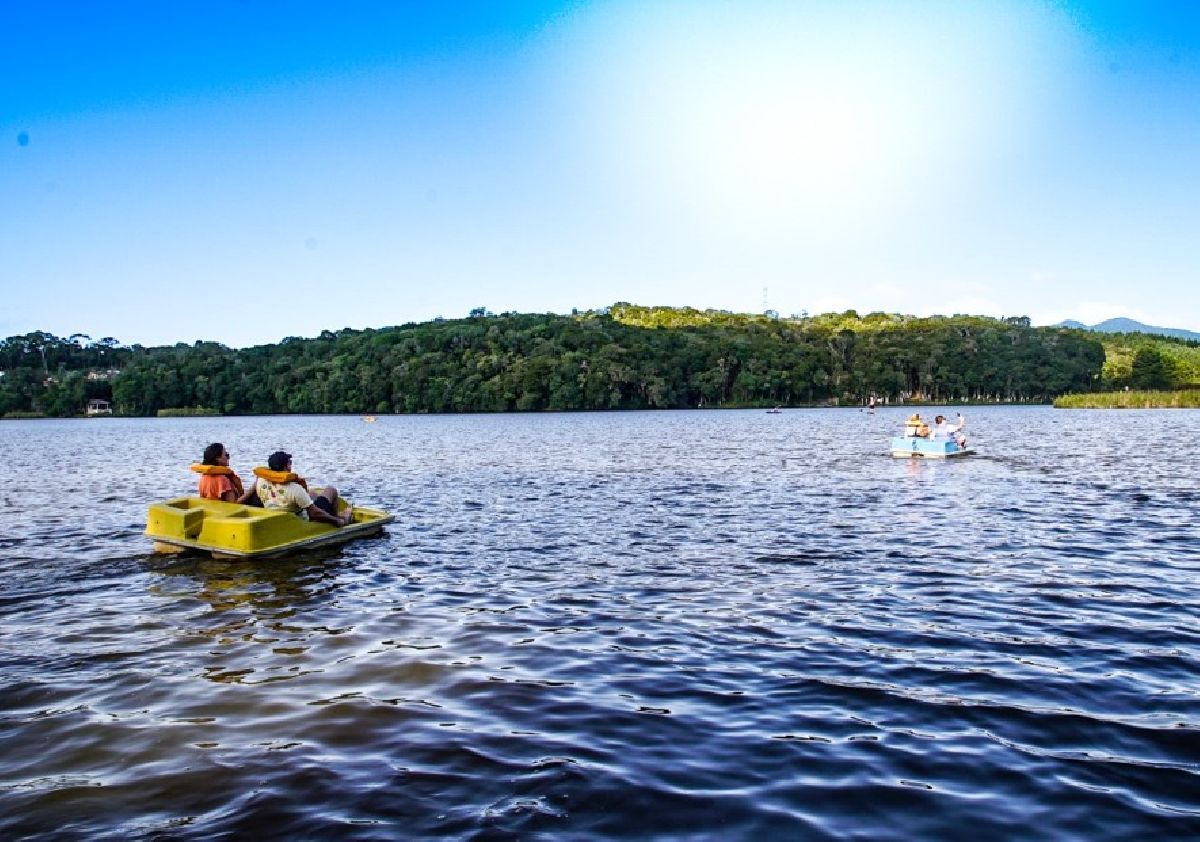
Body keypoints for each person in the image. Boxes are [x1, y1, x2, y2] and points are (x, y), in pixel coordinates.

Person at [252, 450, 353, 527]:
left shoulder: (260, 481)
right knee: (331, 490)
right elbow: (314, 513)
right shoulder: (295, 488)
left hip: (277, 513)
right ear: (286, 467)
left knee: (312, 493)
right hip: (302, 520)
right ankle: (340, 517)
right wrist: (336, 521)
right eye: (289, 463)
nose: (291, 465)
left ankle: (333, 513)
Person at [192, 442, 257, 504]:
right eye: (226, 455)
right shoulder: (222, 480)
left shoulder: (203, 478)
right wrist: (253, 487)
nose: (228, 458)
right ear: (218, 458)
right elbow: (234, 504)